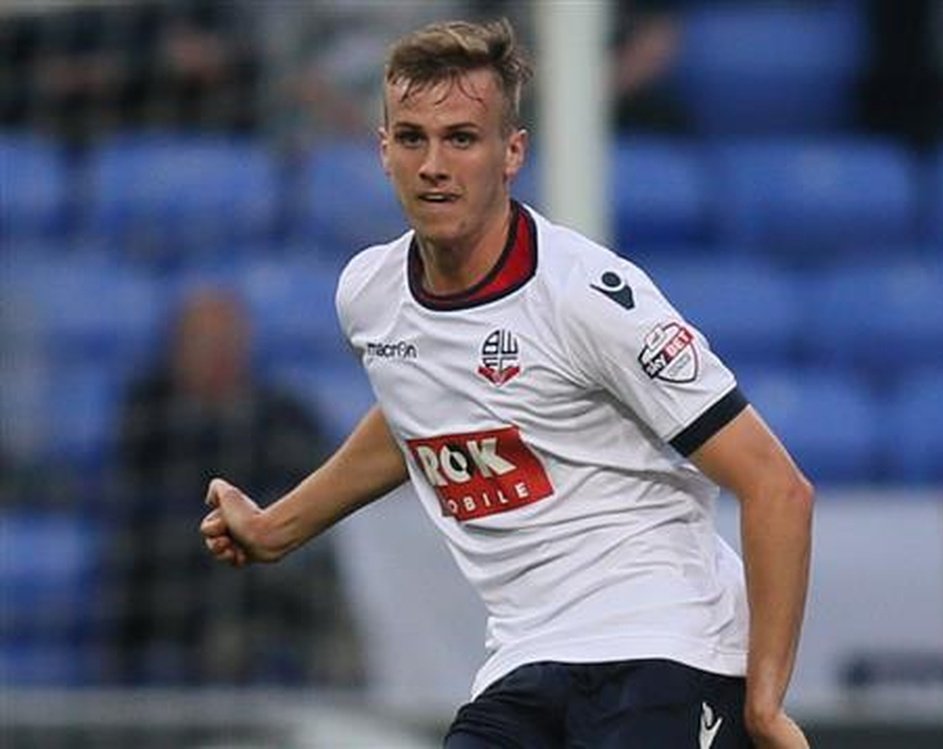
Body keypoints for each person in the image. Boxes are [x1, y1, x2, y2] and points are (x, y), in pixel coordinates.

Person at [201, 18, 813, 748]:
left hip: (665, 643)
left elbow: (779, 488)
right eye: (412, 138)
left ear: (511, 152)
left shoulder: (588, 294)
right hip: (526, 660)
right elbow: (415, 408)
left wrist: (766, 703)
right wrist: (278, 526)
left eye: (461, 138)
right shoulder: (369, 294)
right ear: (383, 151)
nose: (434, 164)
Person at [115, 286, 362, 687]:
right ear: (177, 348)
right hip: (183, 585)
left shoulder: (283, 415)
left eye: (226, 341)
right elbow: (137, 515)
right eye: (203, 343)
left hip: (279, 582)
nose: (217, 354)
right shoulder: (148, 420)